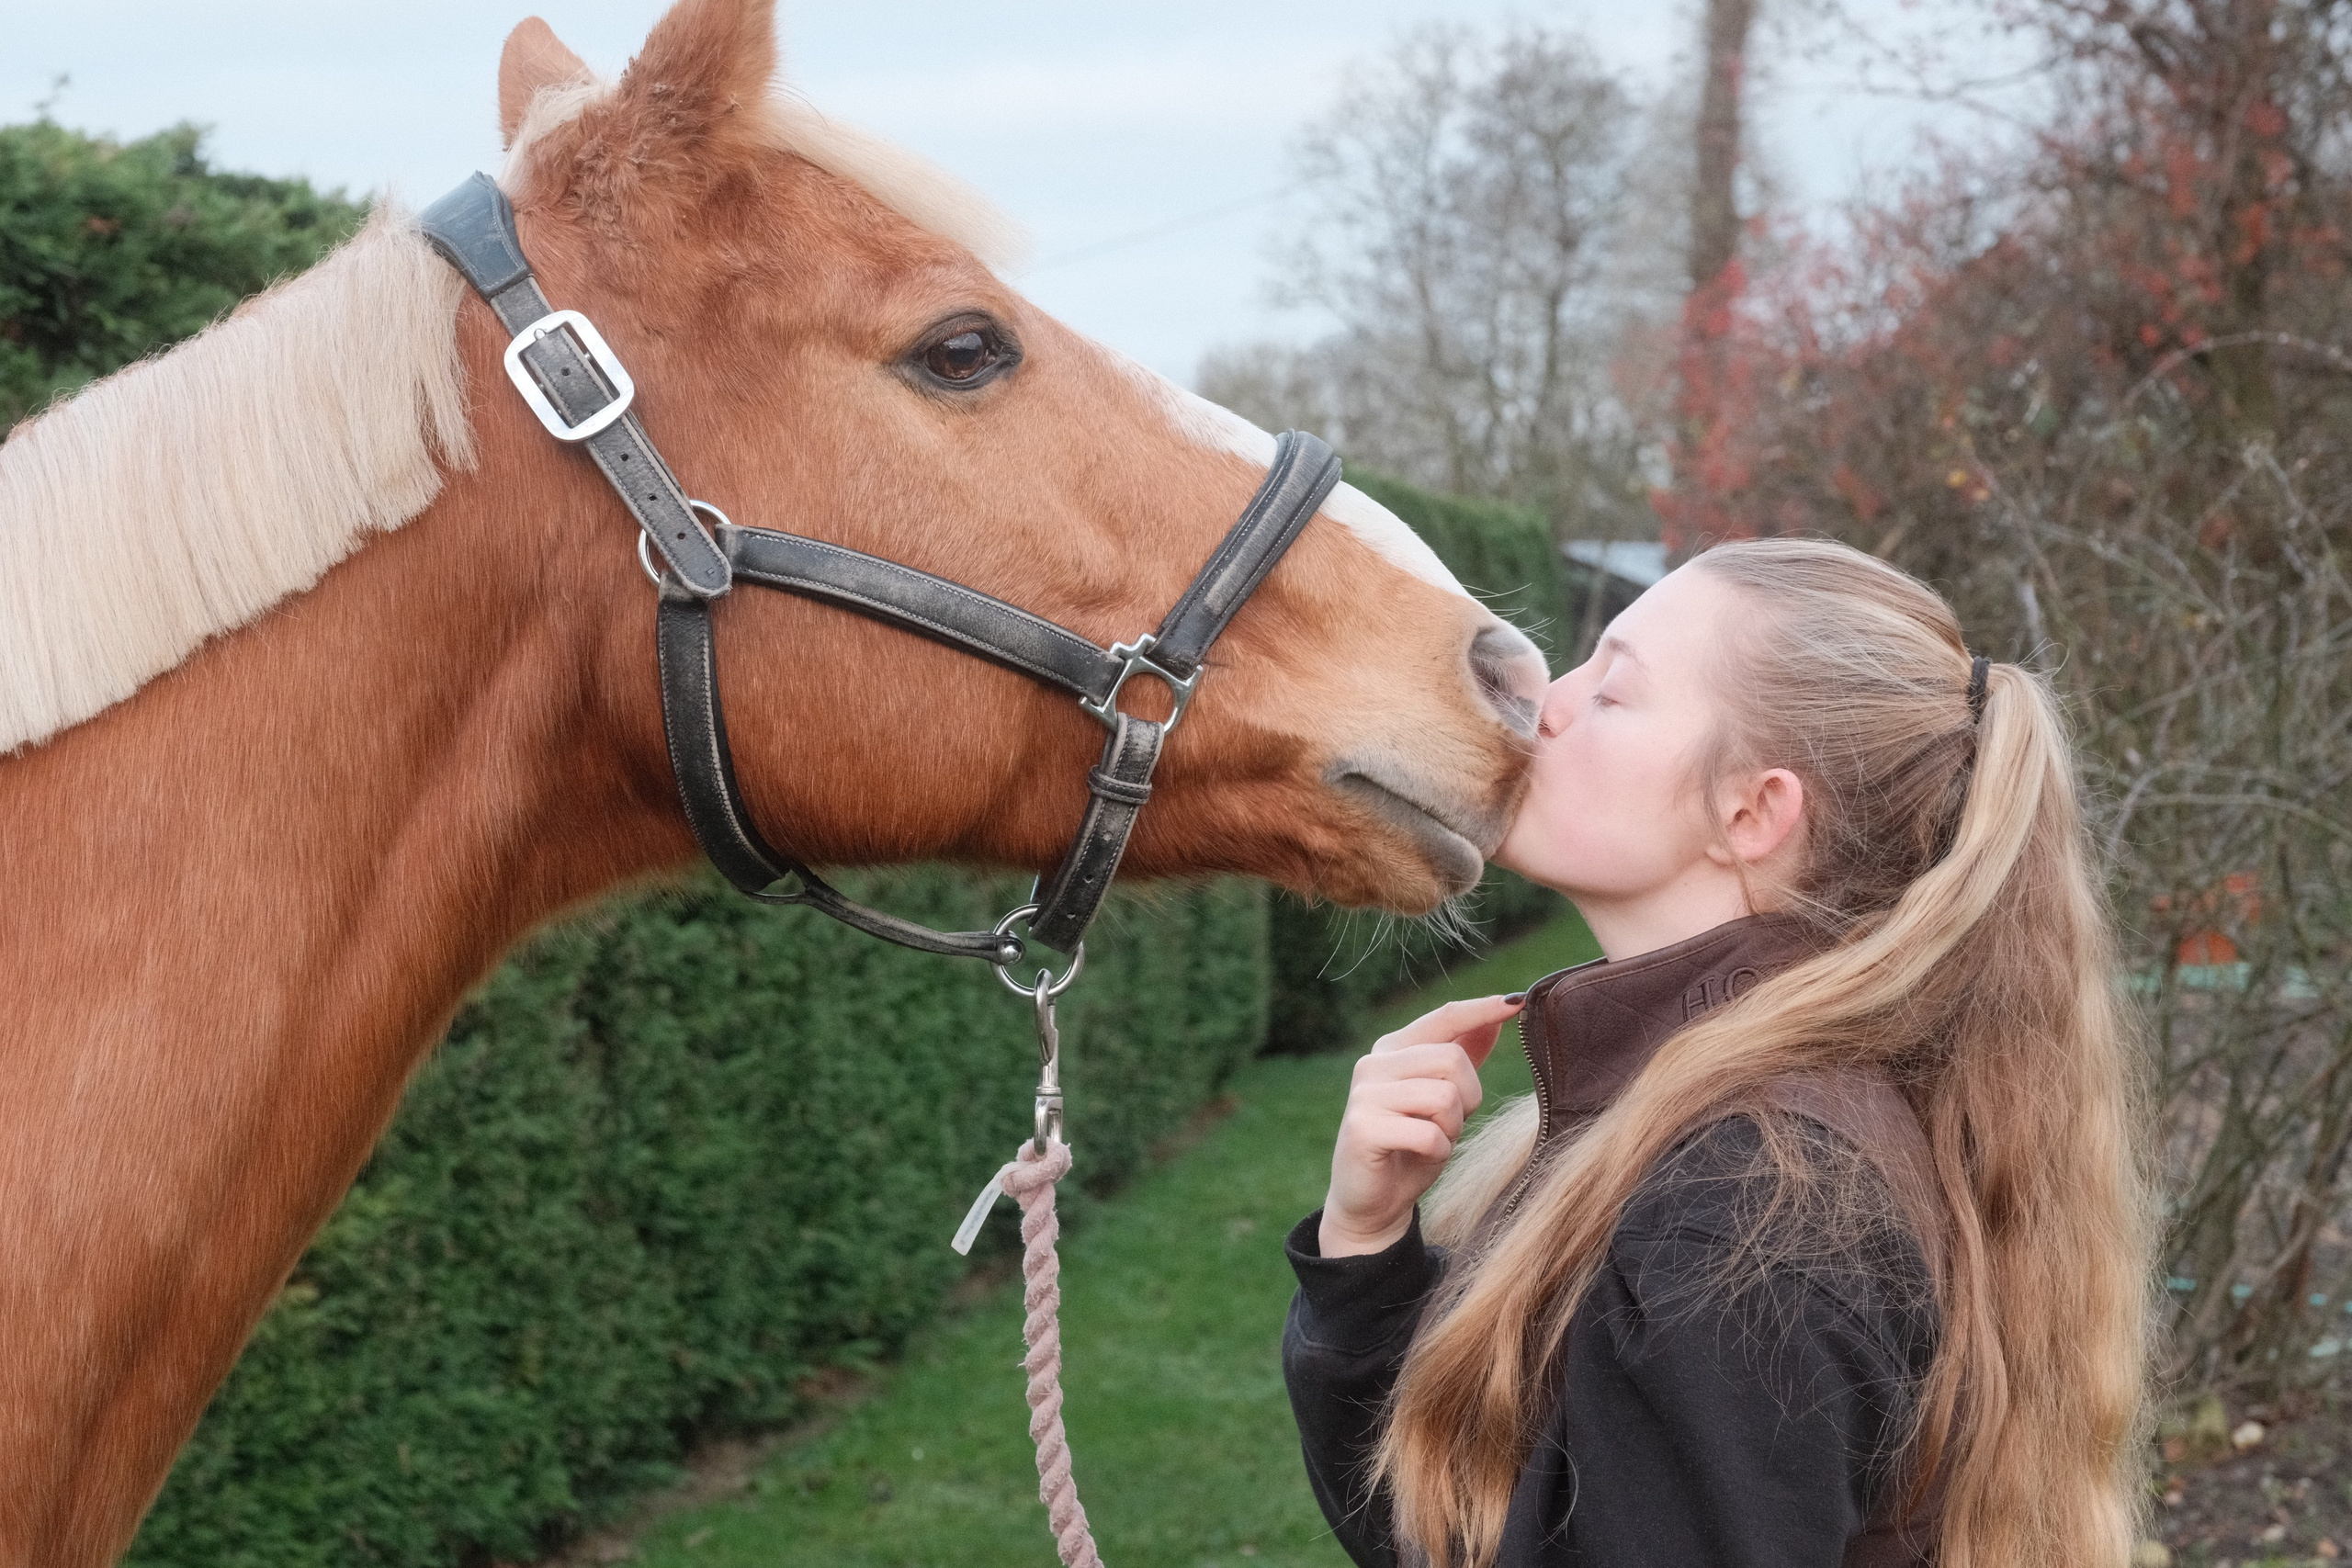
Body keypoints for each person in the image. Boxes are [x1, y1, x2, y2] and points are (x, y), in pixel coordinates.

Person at [1283, 537, 2150, 1568]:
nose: (1545, 703)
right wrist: (1366, 1254)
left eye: (1613, 690)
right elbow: (1456, 1533)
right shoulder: (1708, 1128)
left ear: (1751, 811)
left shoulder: (1746, 1223)